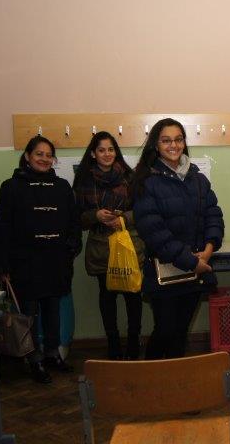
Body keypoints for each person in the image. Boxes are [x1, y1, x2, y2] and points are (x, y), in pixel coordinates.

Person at [0, 135, 82, 384]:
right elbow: (2, 227)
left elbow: (74, 223)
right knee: (28, 313)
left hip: (55, 261)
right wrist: (1, 264)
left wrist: (71, 248)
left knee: (53, 310)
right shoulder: (11, 187)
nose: (44, 159)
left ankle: (52, 354)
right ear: (27, 156)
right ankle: (34, 359)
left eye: (49, 155)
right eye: (39, 154)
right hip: (24, 263)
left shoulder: (62, 187)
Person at [132, 118, 224, 360]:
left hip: (195, 273)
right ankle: (150, 377)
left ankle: (176, 380)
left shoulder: (198, 179)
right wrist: (192, 261)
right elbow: (154, 232)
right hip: (165, 274)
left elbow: (213, 215)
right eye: (166, 140)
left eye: (178, 139)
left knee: (181, 333)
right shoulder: (146, 182)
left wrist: (209, 248)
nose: (173, 145)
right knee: (165, 331)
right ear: (156, 145)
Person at [73, 131, 144, 360]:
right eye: (102, 150)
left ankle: (133, 343)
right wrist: (95, 215)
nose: (107, 154)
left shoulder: (129, 177)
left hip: (128, 244)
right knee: (107, 297)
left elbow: (143, 211)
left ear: (116, 152)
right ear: (93, 154)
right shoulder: (84, 181)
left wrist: (123, 219)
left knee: (133, 295)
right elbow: (76, 218)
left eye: (111, 149)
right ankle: (113, 344)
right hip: (101, 248)